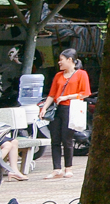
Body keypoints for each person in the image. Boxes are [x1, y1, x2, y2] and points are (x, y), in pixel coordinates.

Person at [37, 49, 90, 180]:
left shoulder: (81, 74)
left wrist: (68, 96)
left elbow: (85, 93)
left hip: (70, 109)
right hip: (57, 109)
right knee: (55, 139)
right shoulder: (58, 76)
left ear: (70, 60)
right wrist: (44, 108)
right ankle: (56, 169)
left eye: (62, 59)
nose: (59, 62)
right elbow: (52, 94)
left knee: (67, 139)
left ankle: (68, 168)